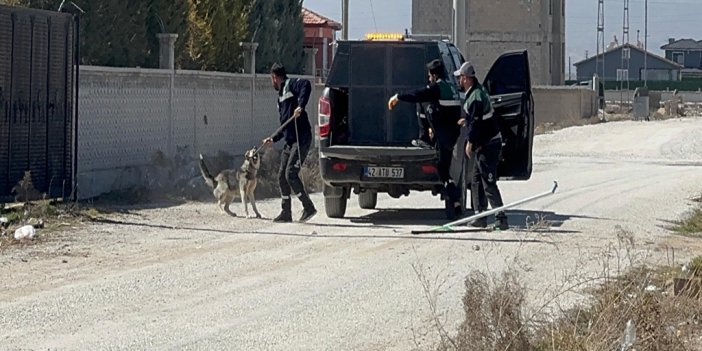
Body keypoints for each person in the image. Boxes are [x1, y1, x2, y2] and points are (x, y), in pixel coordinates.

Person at [387, 59, 463, 219]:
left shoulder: (436, 87)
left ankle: (424, 138)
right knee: (445, 170)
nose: (429, 79)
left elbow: (418, 94)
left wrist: (398, 96)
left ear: (434, 75)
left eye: (430, 76)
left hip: (443, 135)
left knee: (424, 105)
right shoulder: (451, 86)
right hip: (451, 135)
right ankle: (455, 202)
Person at [454, 61, 508, 230]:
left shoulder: (476, 96)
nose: (459, 80)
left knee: (488, 181)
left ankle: (501, 218)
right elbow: (476, 117)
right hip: (483, 145)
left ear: (467, 78)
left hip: (489, 145)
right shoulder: (474, 92)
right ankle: (480, 215)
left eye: (460, 77)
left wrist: (469, 142)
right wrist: (466, 120)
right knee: (476, 180)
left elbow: (477, 122)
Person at [263, 63, 317, 223]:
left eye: (271, 79)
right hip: (290, 141)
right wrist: (273, 138)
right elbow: (285, 124)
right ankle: (286, 212)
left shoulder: (290, 84)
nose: (271, 82)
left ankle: (309, 208)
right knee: (281, 176)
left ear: (274, 77)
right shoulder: (280, 97)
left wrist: (300, 106)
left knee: (290, 174)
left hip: (302, 139)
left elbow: (306, 85)